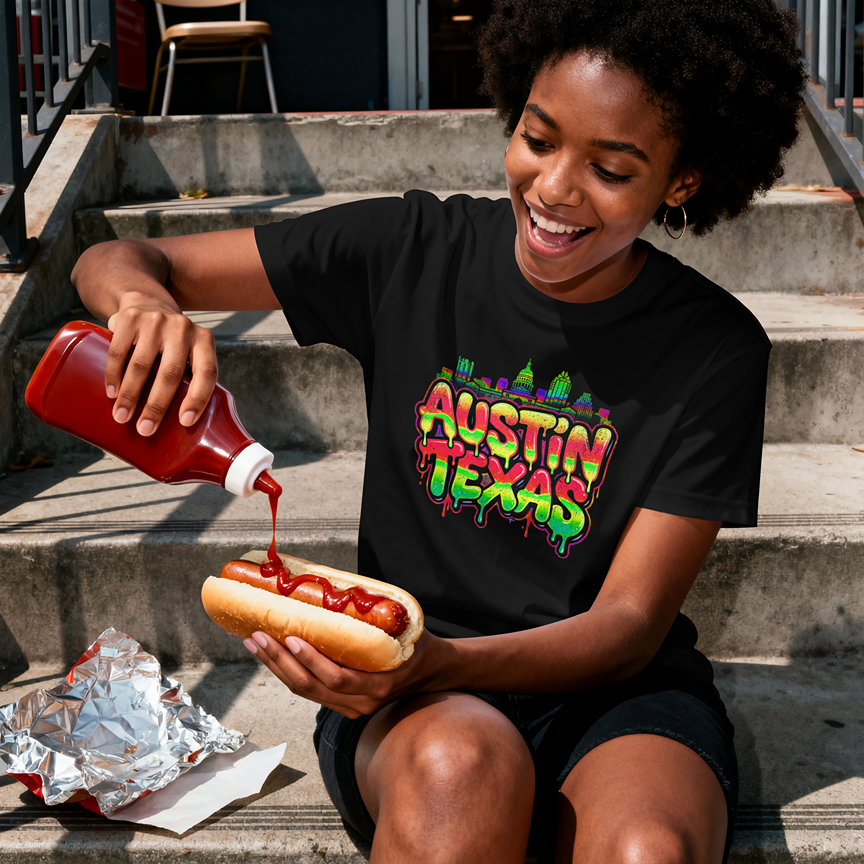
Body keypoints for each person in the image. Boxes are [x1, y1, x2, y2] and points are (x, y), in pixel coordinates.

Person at [71, 1, 806, 861]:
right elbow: (114, 260)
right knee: (462, 770)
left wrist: (446, 660)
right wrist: (143, 306)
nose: (555, 189)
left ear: (681, 181)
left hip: (613, 693)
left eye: (611, 169)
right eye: (538, 140)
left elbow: (631, 625)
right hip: (408, 700)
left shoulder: (714, 347)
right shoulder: (408, 250)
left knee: (649, 851)